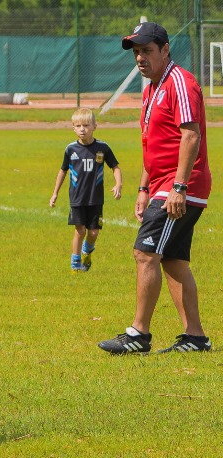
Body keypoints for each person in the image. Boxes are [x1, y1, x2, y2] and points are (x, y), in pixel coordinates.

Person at [99, 22, 212, 354]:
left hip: (181, 185)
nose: (140, 58)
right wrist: (143, 187)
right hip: (162, 184)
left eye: (147, 51)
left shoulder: (181, 82)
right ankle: (195, 337)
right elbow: (154, 143)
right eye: (136, 52)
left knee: (145, 252)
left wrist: (178, 186)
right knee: (172, 259)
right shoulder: (152, 87)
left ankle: (138, 334)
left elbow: (191, 135)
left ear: (165, 49)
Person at [49, 107, 122, 272]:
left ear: (95, 126)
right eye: (79, 125)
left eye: (86, 125)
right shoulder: (70, 150)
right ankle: (75, 264)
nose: (82, 129)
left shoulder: (103, 148)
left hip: (95, 199)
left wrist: (118, 184)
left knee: (93, 233)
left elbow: (115, 167)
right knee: (80, 230)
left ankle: (86, 251)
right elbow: (63, 171)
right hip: (77, 198)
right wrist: (55, 193)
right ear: (73, 127)